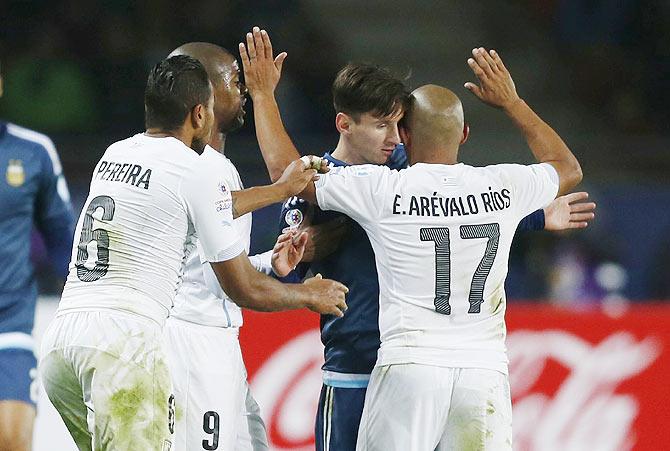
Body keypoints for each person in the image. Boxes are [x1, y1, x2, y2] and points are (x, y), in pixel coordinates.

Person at [239, 27, 595, 450]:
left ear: (409, 133)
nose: (391, 137)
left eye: (397, 125)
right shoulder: (496, 185)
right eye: (381, 125)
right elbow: (550, 177)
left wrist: (262, 95)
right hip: (456, 369)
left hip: (407, 364)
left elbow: (288, 174)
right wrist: (512, 109)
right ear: (464, 136)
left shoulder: (381, 187)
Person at [39, 55, 348, 451]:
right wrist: (308, 294)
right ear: (200, 114)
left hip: (65, 340)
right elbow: (242, 289)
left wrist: (277, 192)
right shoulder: (198, 169)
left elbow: (203, 203)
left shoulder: (115, 154)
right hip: (124, 344)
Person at [162, 42, 293, 451]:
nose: (244, 90)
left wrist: (269, 263)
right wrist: (308, 295)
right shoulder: (205, 169)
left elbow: (208, 267)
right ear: (203, 95)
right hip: (193, 341)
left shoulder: (197, 163)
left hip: (211, 336)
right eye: (235, 81)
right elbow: (234, 287)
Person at [0, 60, 75, 451]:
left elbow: (63, 236)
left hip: (9, 322)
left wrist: (85, 300)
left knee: (12, 440)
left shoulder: (33, 152)